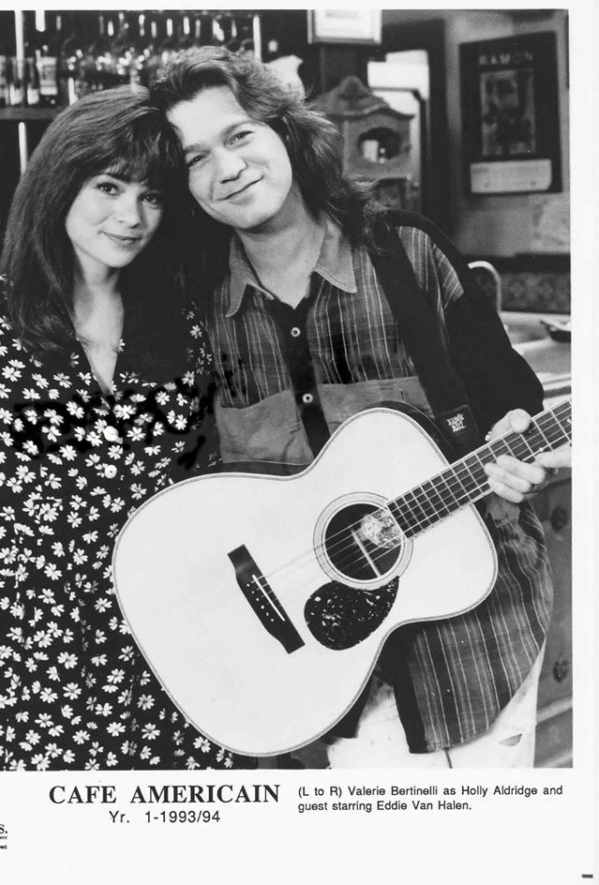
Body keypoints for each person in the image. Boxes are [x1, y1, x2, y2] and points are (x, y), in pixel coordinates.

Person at [151, 47, 555, 768]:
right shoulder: (194, 308)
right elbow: (186, 479)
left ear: (284, 130)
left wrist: (516, 443)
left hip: (475, 647)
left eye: (239, 135)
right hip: (306, 677)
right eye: (194, 159)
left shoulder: (409, 255)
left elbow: (513, 403)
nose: (227, 168)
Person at [0, 86, 253, 772]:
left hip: (172, 646)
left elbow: (215, 486)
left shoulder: (183, 325)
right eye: (109, 186)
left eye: (152, 196)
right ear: (60, 182)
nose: (131, 216)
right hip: (34, 665)